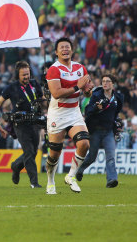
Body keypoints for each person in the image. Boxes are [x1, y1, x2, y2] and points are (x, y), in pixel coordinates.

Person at [45, 37, 93, 195]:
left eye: (67, 47)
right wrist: (77, 86)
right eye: (62, 47)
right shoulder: (54, 69)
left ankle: (70, 176)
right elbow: (56, 93)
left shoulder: (80, 68)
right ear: (56, 52)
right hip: (57, 114)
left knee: (85, 143)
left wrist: (87, 90)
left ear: (72, 51)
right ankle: (50, 181)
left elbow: (86, 90)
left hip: (74, 112)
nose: (65, 49)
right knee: (54, 154)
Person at [0, 61, 44, 188]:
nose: (26, 77)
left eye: (28, 74)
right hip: (19, 123)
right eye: (23, 75)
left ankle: (15, 166)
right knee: (29, 151)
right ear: (17, 75)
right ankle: (34, 182)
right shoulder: (12, 87)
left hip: (34, 122)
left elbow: (42, 99)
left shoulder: (35, 84)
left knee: (33, 152)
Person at [76, 74, 123, 188]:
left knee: (111, 156)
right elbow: (88, 110)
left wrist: (117, 123)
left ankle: (111, 180)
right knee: (92, 156)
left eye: (108, 81)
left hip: (108, 132)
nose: (105, 83)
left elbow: (116, 113)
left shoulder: (118, 97)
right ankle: (80, 170)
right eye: (103, 81)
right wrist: (96, 108)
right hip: (95, 131)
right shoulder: (96, 95)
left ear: (113, 83)